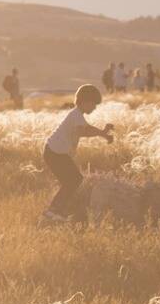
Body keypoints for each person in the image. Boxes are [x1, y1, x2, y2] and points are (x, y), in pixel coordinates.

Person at [40, 85, 113, 224]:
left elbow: (86, 129)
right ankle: (53, 211)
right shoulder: (76, 115)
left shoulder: (77, 115)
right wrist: (102, 134)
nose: (94, 107)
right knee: (74, 180)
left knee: (72, 181)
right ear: (84, 101)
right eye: (93, 104)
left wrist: (102, 133)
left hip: (54, 152)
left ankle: (57, 211)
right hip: (55, 153)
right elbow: (84, 131)